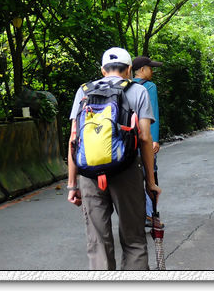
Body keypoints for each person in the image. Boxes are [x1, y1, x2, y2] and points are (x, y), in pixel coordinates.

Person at [66, 47, 162, 270]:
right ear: (129, 70)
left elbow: (73, 139)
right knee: (134, 241)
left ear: (102, 70)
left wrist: (72, 185)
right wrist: (150, 182)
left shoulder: (84, 91)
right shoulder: (138, 91)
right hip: (126, 171)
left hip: (89, 174)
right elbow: (145, 138)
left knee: (97, 242)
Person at [132, 55, 163, 228]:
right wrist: (155, 140)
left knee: (134, 177)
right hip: (145, 138)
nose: (152, 72)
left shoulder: (125, 86)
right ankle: (152, 215)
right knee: (151, 175)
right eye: (150, 68)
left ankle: (137, 215)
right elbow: (152, 115)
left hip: (129, 139)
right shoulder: (149, 87)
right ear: (142, 70)